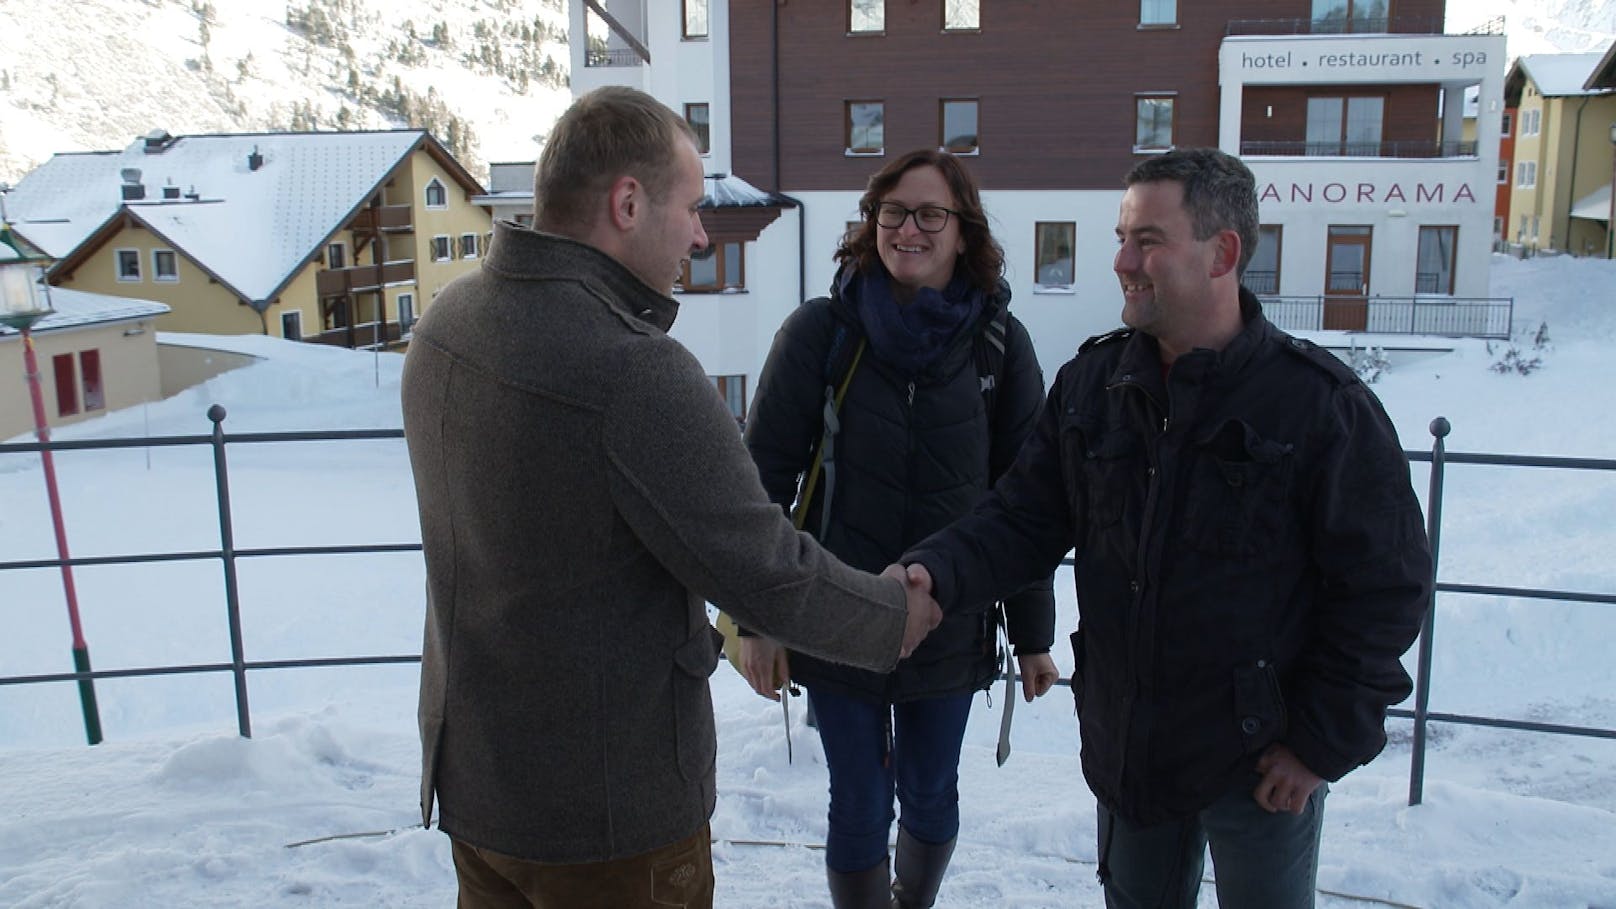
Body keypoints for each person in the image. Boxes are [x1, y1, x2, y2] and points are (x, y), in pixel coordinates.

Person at [399, 86, 941, 909]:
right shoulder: (630, 369)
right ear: (626, 202)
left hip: (478, 783)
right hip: (607, 817)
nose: (700, 232)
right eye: (690, 209)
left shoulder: (449, 319)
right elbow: (764, 568)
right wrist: (894, 617)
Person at [901, 147, 1433, 909]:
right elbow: (1019, 518)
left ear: (1223, 253)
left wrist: (1321, 743)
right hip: (1131, 752)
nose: (1122, 260)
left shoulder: (1320, 407)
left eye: (1147, 240)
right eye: (1123, 237)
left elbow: (1386, 587)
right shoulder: (1092, 386)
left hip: (1262, 765)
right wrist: (934, 573)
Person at [737, 149, 1060, 909]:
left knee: (929, 791)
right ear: (871, 222)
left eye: (929, 214)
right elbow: (759, 484)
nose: (908, 229)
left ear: (962, 230)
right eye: (893, 212)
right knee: (857, 795)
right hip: (838, 612)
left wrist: (1034, 631)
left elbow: (1028, 503)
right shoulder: (820, 333)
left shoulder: (1000, 345)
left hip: (951, 619)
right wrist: (758, 619)